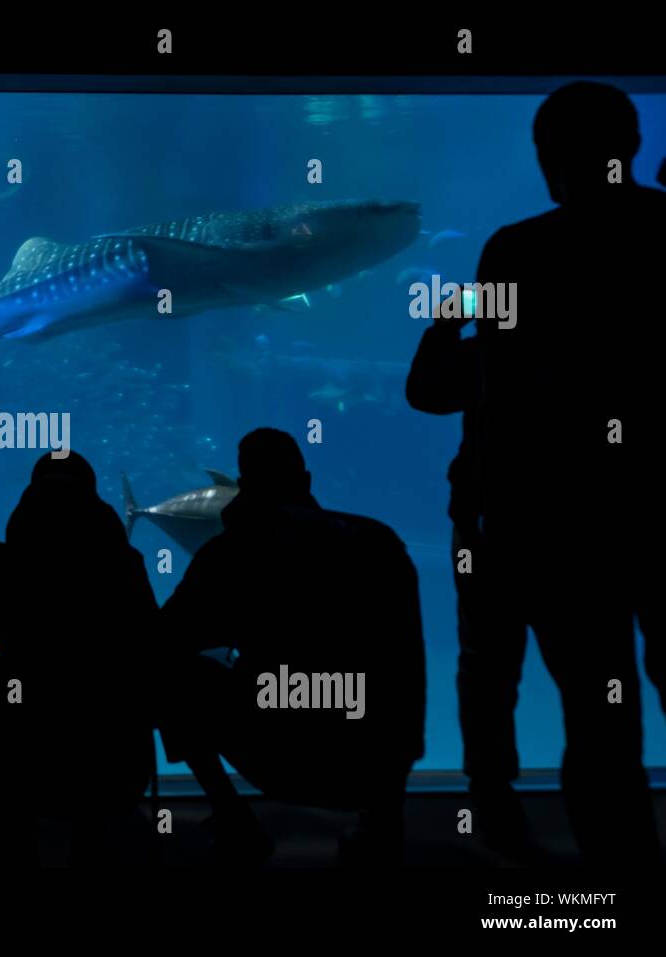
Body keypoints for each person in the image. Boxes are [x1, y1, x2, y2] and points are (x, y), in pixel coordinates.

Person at [472, 81, 663, 865]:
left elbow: (494, 385)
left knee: (599, 714)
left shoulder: (518, 248)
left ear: (550, 155)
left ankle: (619, 881)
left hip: (562, 525)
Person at [159, 428, 425, 867]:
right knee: (391, 672)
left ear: (242, 488)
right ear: (306, 479)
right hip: (375, 766)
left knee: (172, 672)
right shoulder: (381, 541)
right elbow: (406, 670)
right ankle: (382, 823)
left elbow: (166, 642)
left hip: (282, 757)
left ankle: (234, 817)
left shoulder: (232, 552)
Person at [0, 452, 159, 866]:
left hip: (26, 765)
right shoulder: (124, 566)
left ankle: (4, 782)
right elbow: (157, 650)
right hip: (116, 771)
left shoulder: (7, 565)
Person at [406, 298, 537, 860]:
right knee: (595, 672)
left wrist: (443, 323)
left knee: (485, 663)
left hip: (488, 529)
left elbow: (425, 394)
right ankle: (609, 802)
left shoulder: (485, 354)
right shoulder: (586, 350)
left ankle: (491, 791)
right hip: (580, 534)